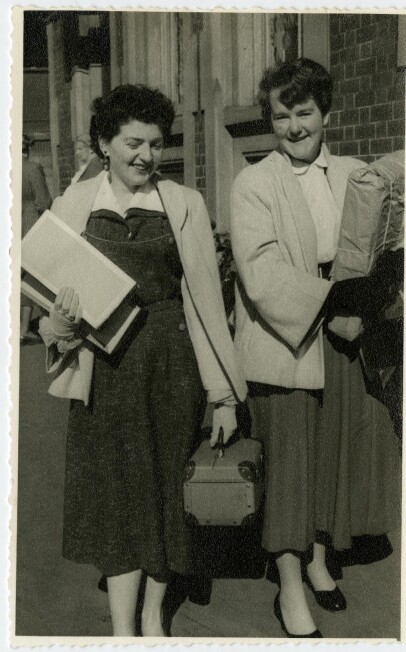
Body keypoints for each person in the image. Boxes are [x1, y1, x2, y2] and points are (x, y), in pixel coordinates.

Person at [38, 84, 247, 636]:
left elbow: (205, 303)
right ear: (105, 143)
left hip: (171, 367)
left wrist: (223, 396)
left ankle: (153, 618)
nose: (146, 156)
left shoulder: (184, 203)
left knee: (165, 492)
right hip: (103, 371)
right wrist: (61, 322)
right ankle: (122, 631)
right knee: (115, 498)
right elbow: (48, 309)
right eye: (133, 143)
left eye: (156, 144)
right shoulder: (73, 205)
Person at [230, 58, 401, 638]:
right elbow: (259, 271)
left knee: (332, 455)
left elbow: (383, 247)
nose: (294, 127)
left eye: (304, 112)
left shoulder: (356, 174)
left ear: (326, 112)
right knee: (290, 466)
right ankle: (289, 586)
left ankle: (320, 560)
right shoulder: (255, 183)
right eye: (281, 116)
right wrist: (332, 303)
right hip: (288, 336)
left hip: (346, 333)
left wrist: (369, 302)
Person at [21, 133, 51, 341]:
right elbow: (43, 201)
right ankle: (25, 328)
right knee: (33, 275)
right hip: (31, 225)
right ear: (28, 148)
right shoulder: (32, 168)